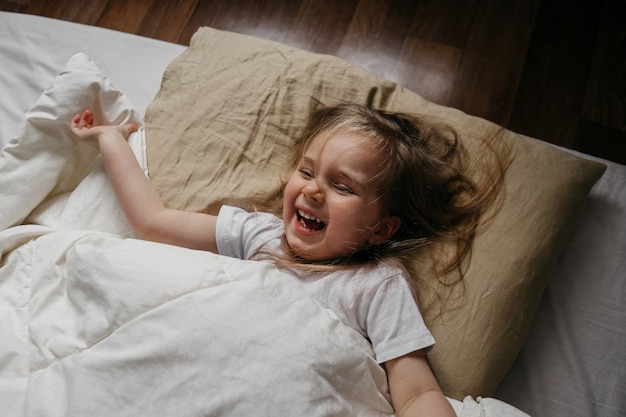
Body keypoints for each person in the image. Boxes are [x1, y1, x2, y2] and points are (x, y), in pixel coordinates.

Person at [71, 103, 506, 417]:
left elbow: (413, 392)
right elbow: (154, 221)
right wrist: (112, 140)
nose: (313, 190)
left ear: (381, 229)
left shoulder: (377, 283)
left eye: (343, 186)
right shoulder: (257, 233)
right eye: (307, 171)